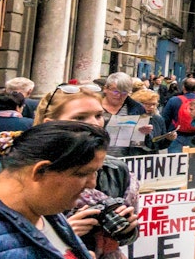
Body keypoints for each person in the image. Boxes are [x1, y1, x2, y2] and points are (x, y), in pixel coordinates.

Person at [0, 122, 105, 258]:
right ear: (40, 171)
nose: (92, 183)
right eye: (83, 174)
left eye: (95, 172)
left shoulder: (47, 213)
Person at [33, 84, 141, 259]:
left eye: (99, 115)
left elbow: (127, 237)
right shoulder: (28, 170)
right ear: (51, 124)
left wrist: (126, 229)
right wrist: (62, 233)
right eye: (80, 117)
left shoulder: (115, 169)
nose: (94, 123)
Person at [161, 79, 195, 153]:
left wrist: (165, 135)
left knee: (176, 161)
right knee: (194, 161)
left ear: (183, 87)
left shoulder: (174, 100)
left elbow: (165, 119)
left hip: (177, 135)